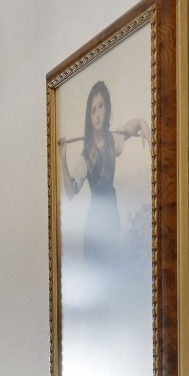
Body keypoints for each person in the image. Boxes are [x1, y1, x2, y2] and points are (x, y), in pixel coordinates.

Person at [58, 80, 151, 263]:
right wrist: (62, 158)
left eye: (101, 107)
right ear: (90, 117)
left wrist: (143, 123)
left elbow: (132, 127)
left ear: (107, 108)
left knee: (112, 266)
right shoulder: (86, 155)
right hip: (95, 219)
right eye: (93, 110)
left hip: (112, 213)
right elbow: (70, 193)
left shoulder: (113, 140)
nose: (98, 114)